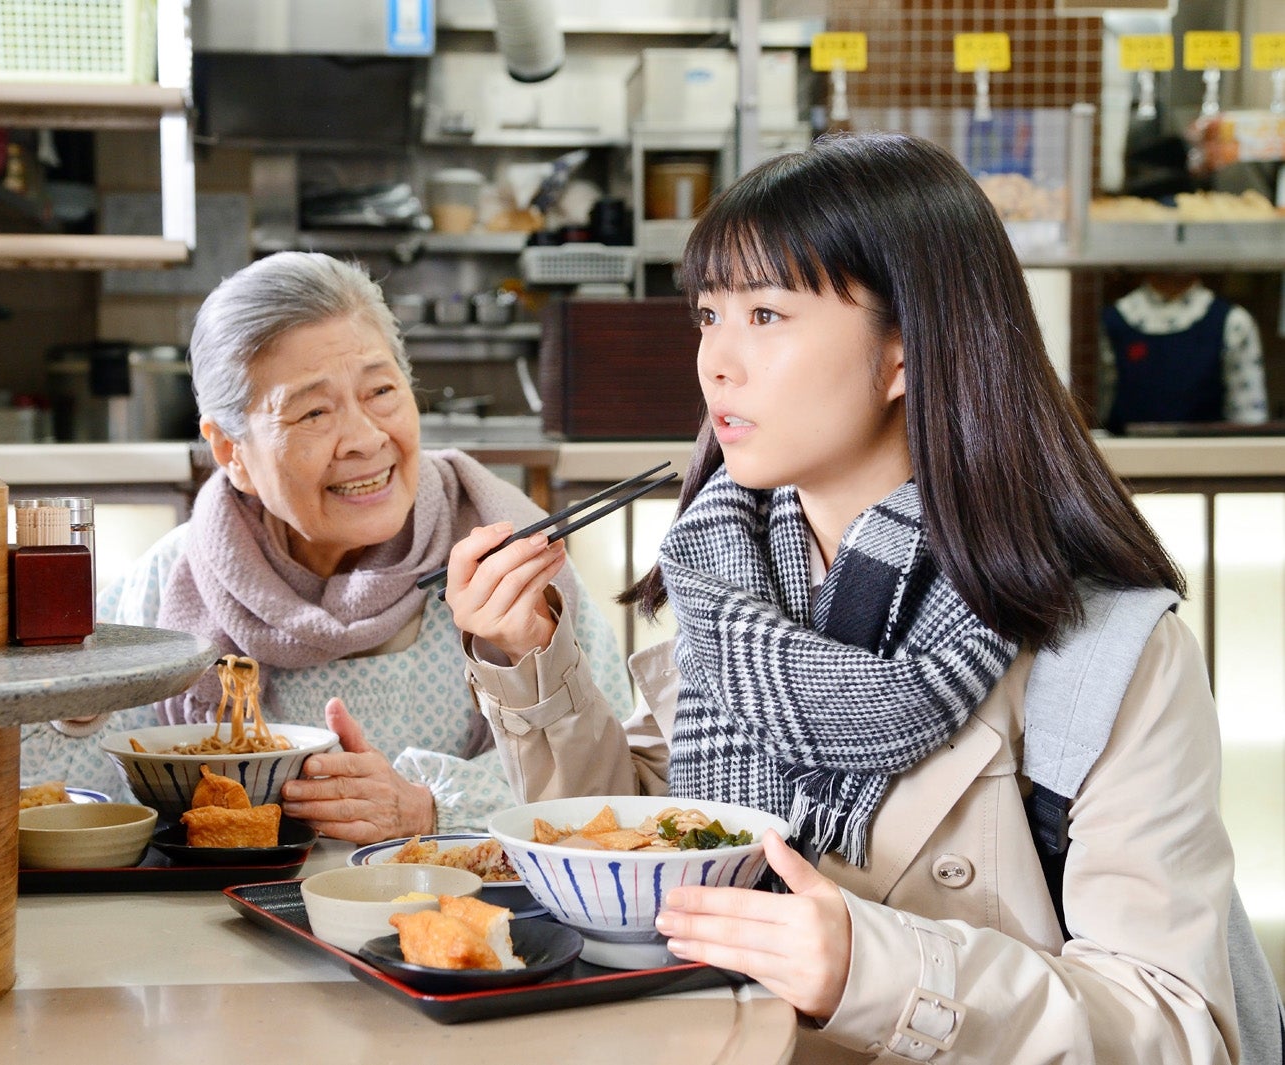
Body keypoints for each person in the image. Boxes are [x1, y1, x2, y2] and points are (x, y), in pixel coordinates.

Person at [448, 132, 1248, 1062]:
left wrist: (871, 970)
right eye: (709, 315)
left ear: (905, 352)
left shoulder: (1105, 652)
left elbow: (1179, 1032)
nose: (716, 362)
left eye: (767, 315)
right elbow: (651, 853)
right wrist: (525, 657)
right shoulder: (724, 585)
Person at [22, 250, 630, 843]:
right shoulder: (169, 582)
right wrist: (66, 707)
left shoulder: (498, 563)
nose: (364, 439)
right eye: (313, 412)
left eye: (382, 391)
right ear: (232, 452)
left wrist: (429, 810)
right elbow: (73, 806)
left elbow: (614, 792)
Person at [1098, 270, 1269, 434]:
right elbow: (1102, 409)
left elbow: (1249, 420)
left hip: (1209, 458)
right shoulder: (1113, 321)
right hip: (1127, 457)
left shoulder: (1233, 321)